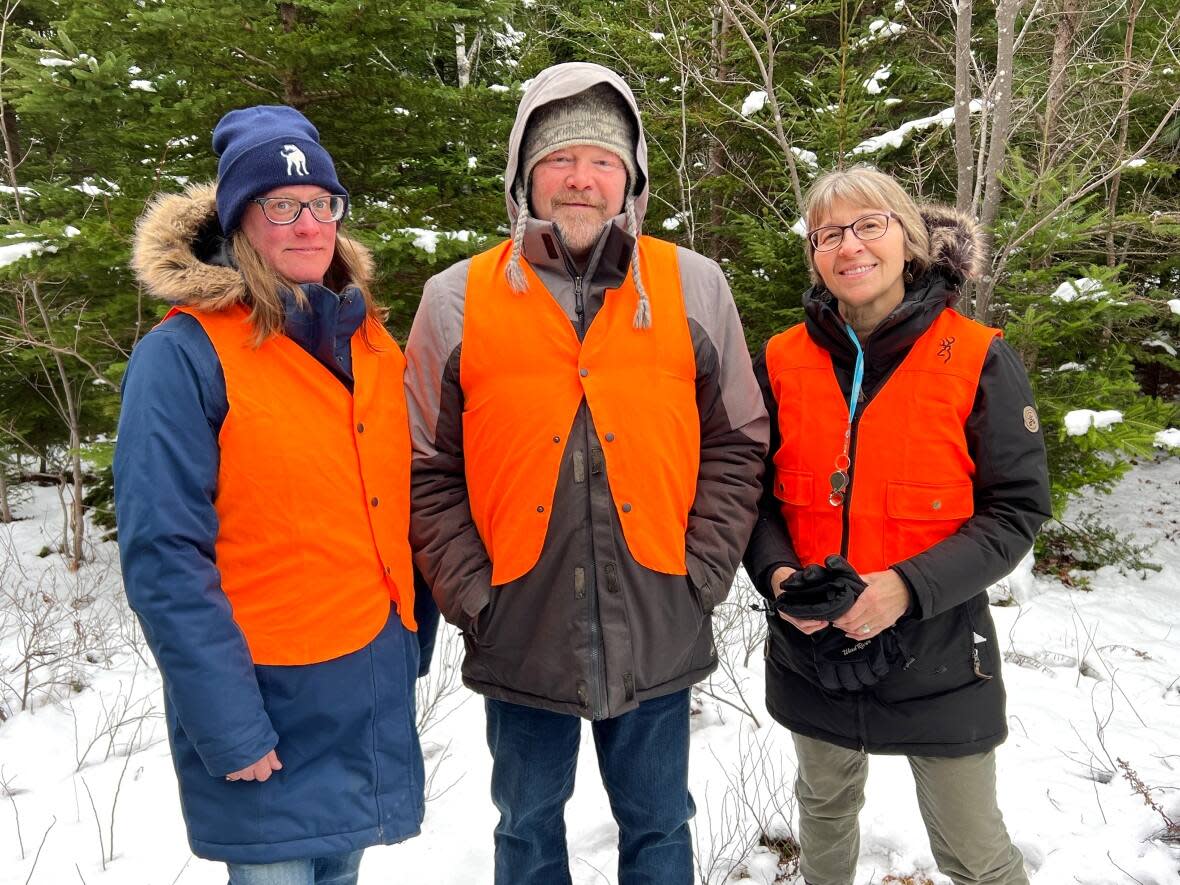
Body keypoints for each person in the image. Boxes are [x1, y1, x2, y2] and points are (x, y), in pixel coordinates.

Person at [405, 62, 767, 885]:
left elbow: (739, 440)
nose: (580, 178)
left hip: (659, 613)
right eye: (560, 157)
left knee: (661, 823)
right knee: (526, 826)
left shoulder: (692, 287)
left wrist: (698, 572)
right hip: (519, 622)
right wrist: (473, 593)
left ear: (631, 181)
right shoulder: (455, 298)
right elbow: (425, 466)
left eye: (603, 161)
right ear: (524, 175)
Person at [114, 105, 434, 885]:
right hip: (263, 700)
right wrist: (229, 725)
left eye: (322, 203)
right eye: (280, 206)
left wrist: (405, 645)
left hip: (358, 683)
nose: (307, 224)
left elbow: (390, 503)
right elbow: (164, 558)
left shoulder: (370, 342)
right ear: (239, 222)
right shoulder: (184, 354)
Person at [743, 166, 1052, 885]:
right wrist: (780, 576)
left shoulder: (976, 355)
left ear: (908, 240)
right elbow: (749, 498)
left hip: (939, 647)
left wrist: (905, 588)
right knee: (822, 806)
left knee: (974, 849)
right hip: (811, 645)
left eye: (868, 225)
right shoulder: (783, 360)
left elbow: (1017, 509)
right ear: (815, 253)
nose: (849, 246)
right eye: (829, 233)